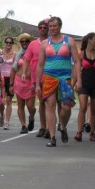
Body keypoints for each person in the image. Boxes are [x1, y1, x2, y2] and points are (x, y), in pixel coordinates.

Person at [36, 16, 82, 147]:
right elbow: (40, 64)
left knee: (66, 107)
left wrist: (78, 79)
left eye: (55, 26)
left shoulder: (69, 41)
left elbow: (77, 61)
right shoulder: (45, 43)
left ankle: (62, 126)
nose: (52, 29)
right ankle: (52, 137)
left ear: (60, 26)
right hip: (49, 77)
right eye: (50, 26)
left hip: (65, 77)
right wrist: (37, 84)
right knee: (50, 105)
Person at [74, 33, 95, 142]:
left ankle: (92, 132)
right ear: (89, 40)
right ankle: (79, 131)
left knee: (94, 109)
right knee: (83, 106)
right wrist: (76, 82)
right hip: (84, 83)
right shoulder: (81, 54)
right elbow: (77, 70)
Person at [22, 19, 50, 138]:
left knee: (51, 103)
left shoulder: (52, 42)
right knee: (42, 102)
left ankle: (50, 127)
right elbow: (27, 59)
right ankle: (43, 127)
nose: (42, 29)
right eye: (40, 27)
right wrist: (24, 72)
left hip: (51, 75)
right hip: (37, 77)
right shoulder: (33, 44)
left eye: (45, 27)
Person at [10, 33, 37, 134]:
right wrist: (11, 84)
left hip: (31, 82)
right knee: (20, 105)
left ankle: (32, 117)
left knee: (31, 106)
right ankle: (23, 125)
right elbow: (13, 69)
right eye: (22, 41)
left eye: (27, 41)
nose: (24, 43)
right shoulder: (18, 54)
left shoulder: (34, 53)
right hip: (19, 81)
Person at [0, 36, 16, 129]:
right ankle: (1, 115)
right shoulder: (0, 52)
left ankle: (7, 122)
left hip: (10, 78)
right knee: (1, 101)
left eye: (10, 43)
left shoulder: (15, 54)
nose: (8, 44)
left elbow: (15, 67)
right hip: (1, 78)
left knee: (9, 100)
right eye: (7, 42)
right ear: (4, 43)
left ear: (12, 44)